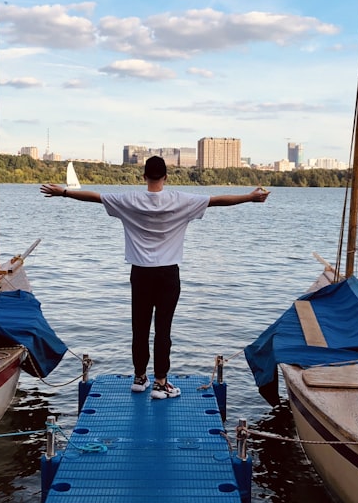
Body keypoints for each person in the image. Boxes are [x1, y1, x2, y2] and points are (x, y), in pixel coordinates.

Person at [41, 156, 269, 399]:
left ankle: (140, 378)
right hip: (168, 274)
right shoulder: (181, 201)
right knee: (163, 330)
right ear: (166, 177)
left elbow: (95, 197)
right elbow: (217, 201)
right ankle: (160, 382)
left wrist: (63, 192)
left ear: (144, 176)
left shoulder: (129, 200)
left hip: (140, 273)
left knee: (139, 327)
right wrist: (249, 197)